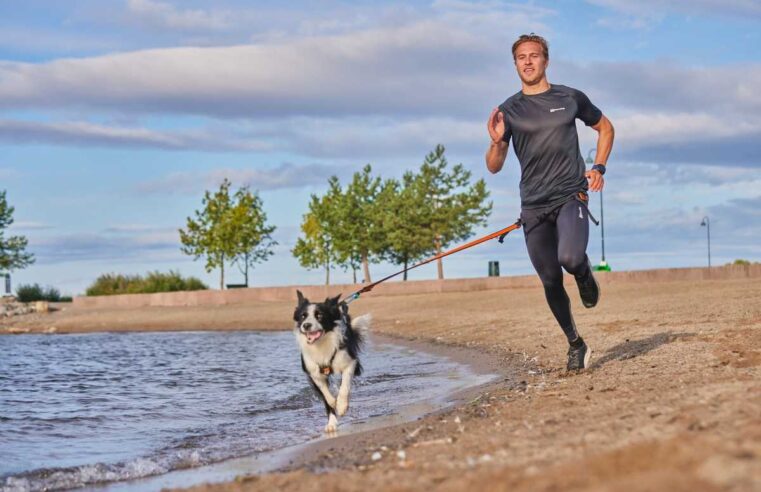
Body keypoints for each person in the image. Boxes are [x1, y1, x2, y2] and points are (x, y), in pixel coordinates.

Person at [485, 33, 615, 371]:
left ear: (546, 60)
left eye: (534, 55)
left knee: (570, 258)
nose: (528, 61)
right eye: (521, 57)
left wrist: (598, 166)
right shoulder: (508, 110)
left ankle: (585, 274)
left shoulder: (570, 98)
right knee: (549, 280)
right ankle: (576, 344)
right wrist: (498, 142)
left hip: (570, 195)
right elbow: (494, 166)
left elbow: (606, 128)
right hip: (533, 207)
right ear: (515, 64)